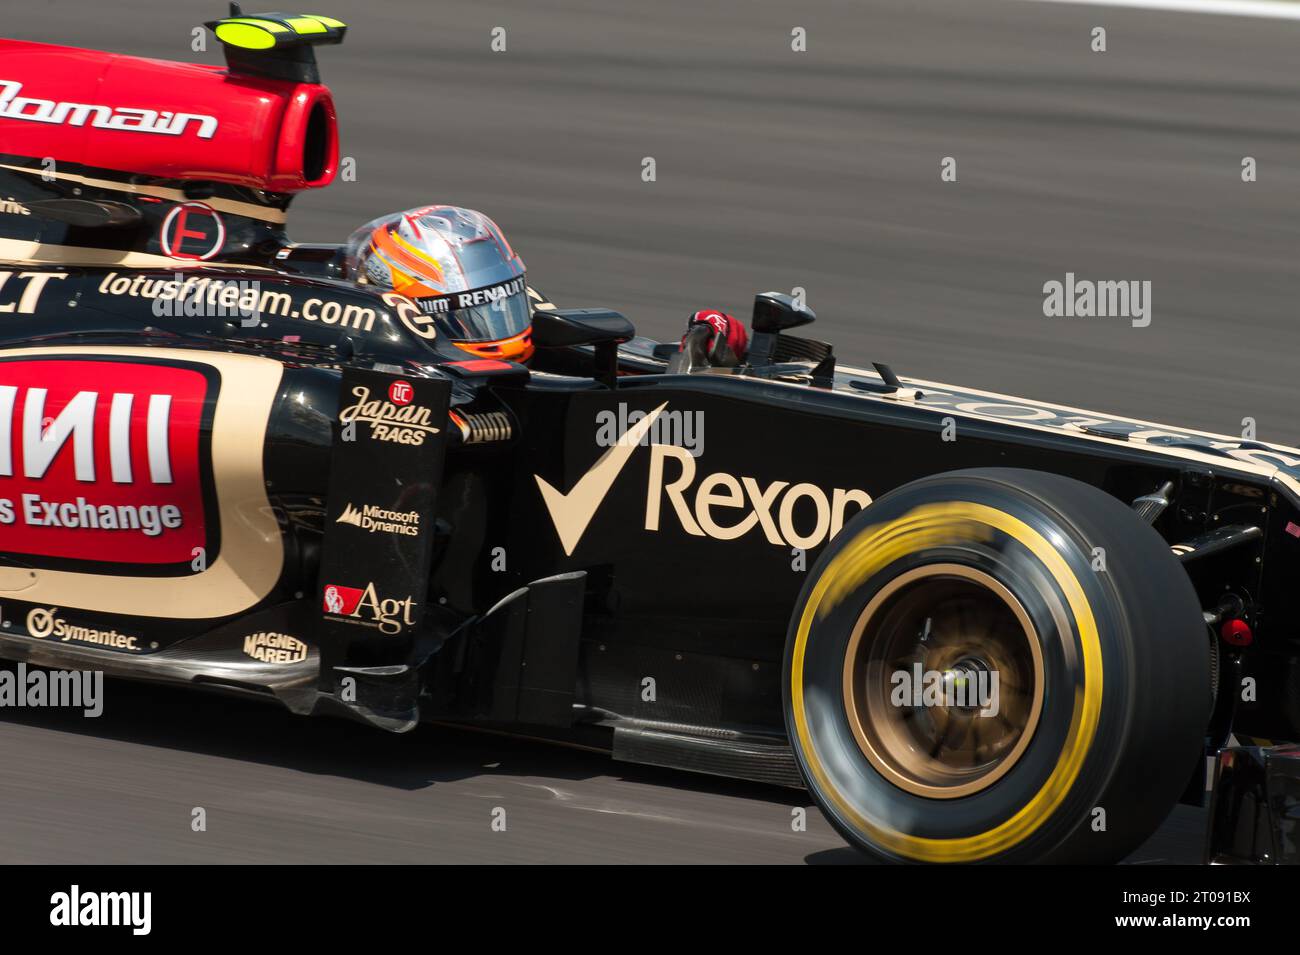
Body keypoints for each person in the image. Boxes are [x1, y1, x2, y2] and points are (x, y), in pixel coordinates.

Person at [347, 204, 749, 366]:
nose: (497, 322)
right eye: (471, 311)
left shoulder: (528, 319)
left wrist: (682, 355)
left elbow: (593, 349)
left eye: (501, 300)